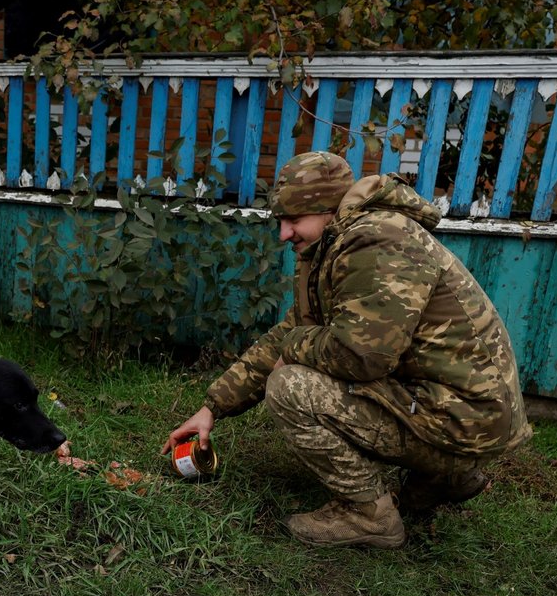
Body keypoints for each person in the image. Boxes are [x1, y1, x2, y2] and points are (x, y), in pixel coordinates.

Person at [161, 151, 532, 549]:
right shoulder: (334, 243)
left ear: (328, 210)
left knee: (291, 388)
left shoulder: (377, 240)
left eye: (293, 219)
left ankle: (369, 514)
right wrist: (212, 407)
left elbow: (361, 356)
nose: (284, 233)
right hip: (457, 411)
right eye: (281, 220)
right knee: (299, 360)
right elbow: (294, 330)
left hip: (464, 420)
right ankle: (444, 478)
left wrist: (294, 348)